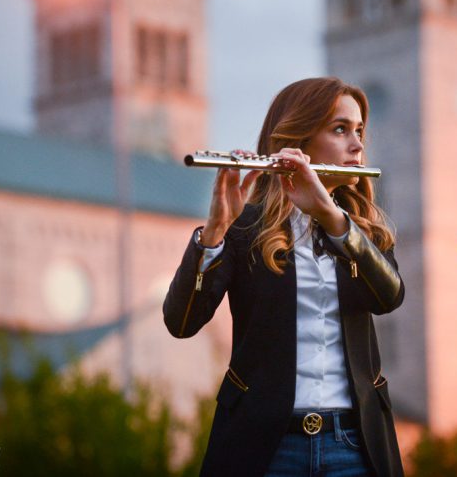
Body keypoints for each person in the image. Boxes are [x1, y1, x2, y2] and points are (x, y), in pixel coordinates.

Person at [164, 77, 405, 477]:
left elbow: (389, 297)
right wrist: (215, 231)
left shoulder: (363, 229)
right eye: (340, 129)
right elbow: (181, 322)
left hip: (354, 443)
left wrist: (334, 220)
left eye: (359, 130)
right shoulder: (246, 228)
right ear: (300, 140)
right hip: (264, 446)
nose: (358, 145)